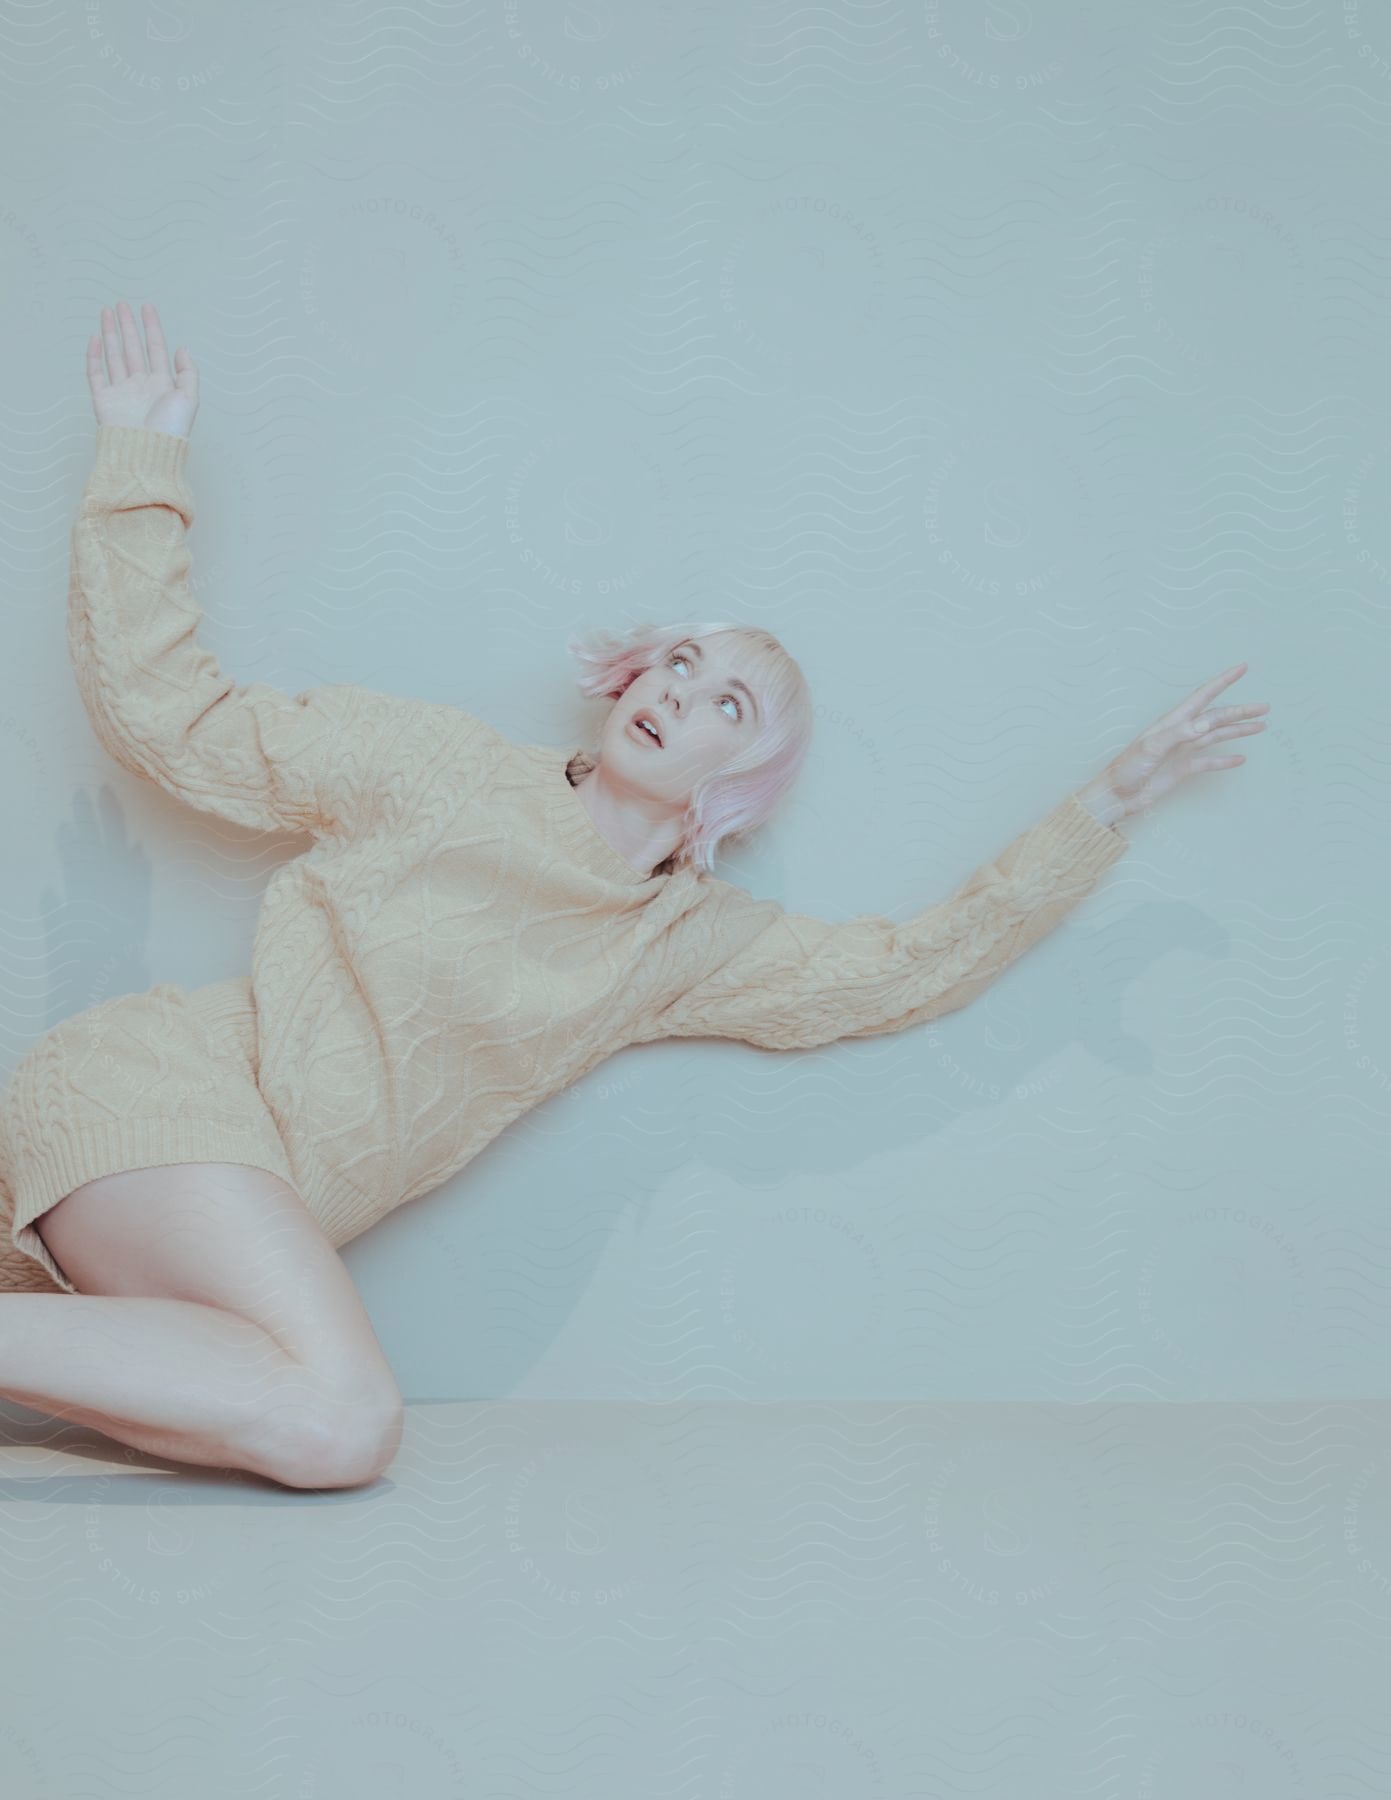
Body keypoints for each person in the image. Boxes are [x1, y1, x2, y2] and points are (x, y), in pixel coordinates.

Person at [0, 301, 1271, 1492]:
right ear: (628, 678)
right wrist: (140, 471)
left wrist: (1103, 805)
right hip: (162, 1099)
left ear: (746, 777)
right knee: (343, 1417)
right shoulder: (436, 770)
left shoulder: (676, 945)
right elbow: (175, 722)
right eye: (679, 660)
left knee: (295, 1417)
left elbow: (909, 967)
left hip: (232, 1207)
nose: (678, 692)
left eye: (730, 702)